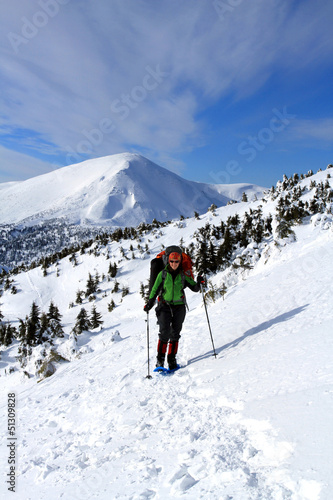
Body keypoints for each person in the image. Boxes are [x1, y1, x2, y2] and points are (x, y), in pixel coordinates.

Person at [144, 250, 203, 370]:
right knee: (164, 333)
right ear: (168, 261)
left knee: (175, 334)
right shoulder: (163, 274)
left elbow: (194, 288)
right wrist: (150, 303)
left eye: (176, 261)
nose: (174, 263)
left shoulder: (184, 275)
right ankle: (160, 361)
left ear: (179, 261)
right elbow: (155, 289)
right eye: (172, 261)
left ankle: (172, 360)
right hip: (164, 306)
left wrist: (199, 282)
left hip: (179, 307)